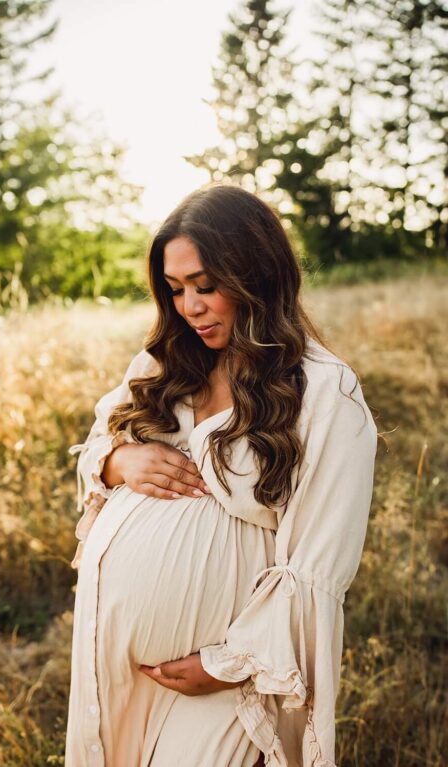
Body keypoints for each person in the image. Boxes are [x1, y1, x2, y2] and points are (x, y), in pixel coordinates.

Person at [65, 185, 378, 767]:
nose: (190, 306)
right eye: (176, 289)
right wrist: (116, 461)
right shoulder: (163, 362)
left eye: (206, 286)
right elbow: (95, 446)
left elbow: (318, 565)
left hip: (234, 672)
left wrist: (226, 662)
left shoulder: (326, 391)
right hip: (118, 660)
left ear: (256, 275)